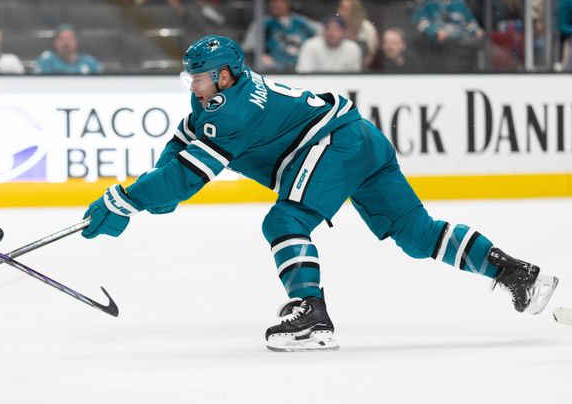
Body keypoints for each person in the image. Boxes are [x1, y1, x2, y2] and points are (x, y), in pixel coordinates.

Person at [79, 34, 559, 351]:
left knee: (284, 221)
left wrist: (124, 199)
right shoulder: (219, 99)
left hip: (335, 144)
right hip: (359, 137)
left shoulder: (229, 111)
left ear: (223, 76)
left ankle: (311, 314)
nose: (193, 84)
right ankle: (517, 272)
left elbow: (185, 178)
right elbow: (180, 151)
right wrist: (147, 198)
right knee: (417, 235)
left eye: (199, 77)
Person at [241, 0, 319, 72]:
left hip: (302, 70)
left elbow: (321, 36)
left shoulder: (301, 22)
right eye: (272, 1)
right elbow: (248, 49)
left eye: (279, 1)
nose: (275, 4)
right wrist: (260, 56)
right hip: (273, 72)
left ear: (288, 3)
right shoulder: (263, 23)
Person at [296, 16, 363, 73]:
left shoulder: (353, 49)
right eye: (328, 29)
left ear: (344, 32)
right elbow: (303, 75)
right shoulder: (310, 45)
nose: (332, 33)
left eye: (336, 29)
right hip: (315, 86)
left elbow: (355, 78)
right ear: (323, 31)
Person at [34, 24, 103, 74]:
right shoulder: (45, 62)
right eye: (61, 39)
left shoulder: (90, 62)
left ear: (76, 41)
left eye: (70, 39)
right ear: (55, 42)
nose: (66, 43)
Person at [337, 0, 379, 68]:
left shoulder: (366, 27)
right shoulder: (335, 25)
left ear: (354, 11)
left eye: (344, 9)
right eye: (339, 8)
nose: (339, 12)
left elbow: (371, 54)